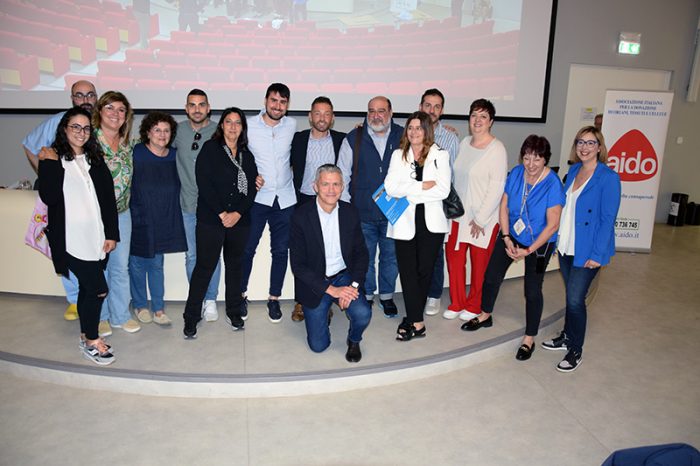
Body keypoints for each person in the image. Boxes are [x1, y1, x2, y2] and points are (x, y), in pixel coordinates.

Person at [463, 135, 565, 362]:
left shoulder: (553, 184)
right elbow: (505, 205)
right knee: (491, 276)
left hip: (539, 244)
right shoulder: (517, 173)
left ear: (545, 160)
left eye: (537, 159)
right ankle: (485, 314)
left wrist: (528, 251)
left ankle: (529, 338)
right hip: (513, 236)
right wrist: (507, 237)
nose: (530, 164)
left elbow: (553, 225)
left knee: (532, 289)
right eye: (527, 157)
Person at [38, 107, 119, 365]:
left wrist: (111, 234)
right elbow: (48, 197)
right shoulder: (53, 158)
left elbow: (108, 201)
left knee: (87, 288)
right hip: (71, 241)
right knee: (98, 290)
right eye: (75, 127)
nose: (81, 132)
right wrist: (49, 163)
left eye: (85, 128)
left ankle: (85, 336)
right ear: (65, 129)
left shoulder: (94, 159)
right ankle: (93, 341)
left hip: (95, 238)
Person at [541, 126, 621, 373]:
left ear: (599, 147)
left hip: (588, 250)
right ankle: (566, 335)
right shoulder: (574, 170)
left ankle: (575, 349)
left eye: (590, 143)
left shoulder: (608, 178)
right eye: (580, 142)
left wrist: (597, 255)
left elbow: (608, 219)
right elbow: (564, 209)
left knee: (576, 299)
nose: (584, 147)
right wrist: (555, 239)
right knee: (570, 296)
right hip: (567, 245)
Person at [22, 80, 98, 321]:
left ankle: (91, 294)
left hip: (92, 196)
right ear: (72, 99)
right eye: (79, 95)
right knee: (66, 245)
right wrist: (47, 175)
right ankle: (74, 300)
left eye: (90, 95)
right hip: (64, 198)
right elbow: (29, 145)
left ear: (96, 97)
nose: (85, 100)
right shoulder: (57, 121)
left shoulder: (102, 119)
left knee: (90, 245)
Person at [183, 108, 259, 339]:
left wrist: (236, 213)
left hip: (240, 220)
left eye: (238, 123)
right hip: (211, 219)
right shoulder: (210, 149)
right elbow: (203, 183)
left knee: (235, 267)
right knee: (204, 267)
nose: (233, 127)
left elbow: (252, 189)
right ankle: (191, 316)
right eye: (229, 122)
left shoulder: (247, 154)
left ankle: (234, 311)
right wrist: (222, 213)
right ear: (222, 125)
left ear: (242, 128)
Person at [289, 164, 371, 362]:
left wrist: (352, 286)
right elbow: (298, 266)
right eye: (325, 184)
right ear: (315, 186)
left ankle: (354, 339)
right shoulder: (300, 215)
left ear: (342, 187)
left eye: (336, 184)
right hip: (315, 281)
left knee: (363, 313)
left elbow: (362, 253)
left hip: (344, 276)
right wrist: (332, 290)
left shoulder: (350, 213)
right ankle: (324, 310)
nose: (331, 190)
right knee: (319, 347)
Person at [384, 111, 451, 341]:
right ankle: (417, 322)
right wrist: (423, 186)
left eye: (419, 128)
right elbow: (390, 188)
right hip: (403, 222)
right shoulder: (397, 155)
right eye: (410, 128)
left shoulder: (440, 155)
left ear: (427, 130)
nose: (414, 132)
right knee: (408, 272)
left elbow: (443, 190)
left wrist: (409, 189)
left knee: (424, 272)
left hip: (431, 225)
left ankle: (412, 320)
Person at [337, 96, 403, 318]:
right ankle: (366, 295)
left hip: (393, 213)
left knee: (390, 257)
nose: (376, 115)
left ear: (391, 112)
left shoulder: (404, 136)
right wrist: (347, 209)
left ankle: (386, 296)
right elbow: (342, 175)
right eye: (371, 111)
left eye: (381, 111)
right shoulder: (353, 138)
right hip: (362, 213)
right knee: (364, 258)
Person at [444, 98, 507, 322]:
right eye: (474, 115)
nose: (477, 120)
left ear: (491, 121)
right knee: (454, 260)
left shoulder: (497, 149)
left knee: (480, 266)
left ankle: (474, 304)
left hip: (483, 220)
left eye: (483, 116)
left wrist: (480, 218)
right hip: (458, 216)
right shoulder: (464, 143)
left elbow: (497, 186)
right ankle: (457, 302)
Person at [241, 83, 297, 323]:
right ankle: (240, 295)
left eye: (283, 102)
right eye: (274, 100)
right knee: (247, 249)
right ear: (265, 101)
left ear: (287, 105)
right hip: (258, 198)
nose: (278, 106)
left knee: (281, 251)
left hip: (285, 198)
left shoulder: (292, 125)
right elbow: (237, 154)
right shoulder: (249, 125)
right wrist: (250, 174)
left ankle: (274, 298)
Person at [289, 96, 346, 322]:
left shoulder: (343, 140)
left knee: (328, 251)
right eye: (318, 113)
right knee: (303, 254)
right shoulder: (298, 139)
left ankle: (325, 300)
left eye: (327, 113)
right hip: (304, 201)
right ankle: (301, 302)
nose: (322, 118)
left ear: (332, 118)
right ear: (310, 116)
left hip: (331, 201)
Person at [129, 112, 187, 326]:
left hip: (164, 217)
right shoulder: (136, 153)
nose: (162, 135)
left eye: (166, 130)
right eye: (157, 130)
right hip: (139, 215)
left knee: (156, 264)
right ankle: (140, 305)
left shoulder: (175, 156)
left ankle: (159, 309)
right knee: (136, 263)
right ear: (147, 132)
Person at [92, 91, 141, 337]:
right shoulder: (88, 142)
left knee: (120, 267)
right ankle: (100, 317)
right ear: (99, 111)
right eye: (110, 108)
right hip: (94, 217)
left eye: (121, 110)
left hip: (122, 214)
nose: (115, 113)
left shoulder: (126, 145)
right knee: (98, 268)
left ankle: (120, 315)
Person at [174, 89, 222, 322]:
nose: (197, 109)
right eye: (192, 105)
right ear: (186, 108)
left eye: (201, 104)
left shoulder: (218, 132)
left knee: (213, 256)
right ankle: (198, 298)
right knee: (192, 256)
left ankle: (211, 299)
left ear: (208, 107)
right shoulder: (177, 131)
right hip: (187, 204)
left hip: (213, 207)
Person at [419, 88, 460, 316]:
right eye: (428, 105)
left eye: (436, 106)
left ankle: (434, 295)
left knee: (435, 254)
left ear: (442, 110)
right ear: (420, 106)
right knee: (416, 252)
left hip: (437, 206)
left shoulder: (451, 138)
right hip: (414, 204)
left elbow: (451, 176)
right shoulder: (412, 132)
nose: (432, 110)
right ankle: (419, 291)